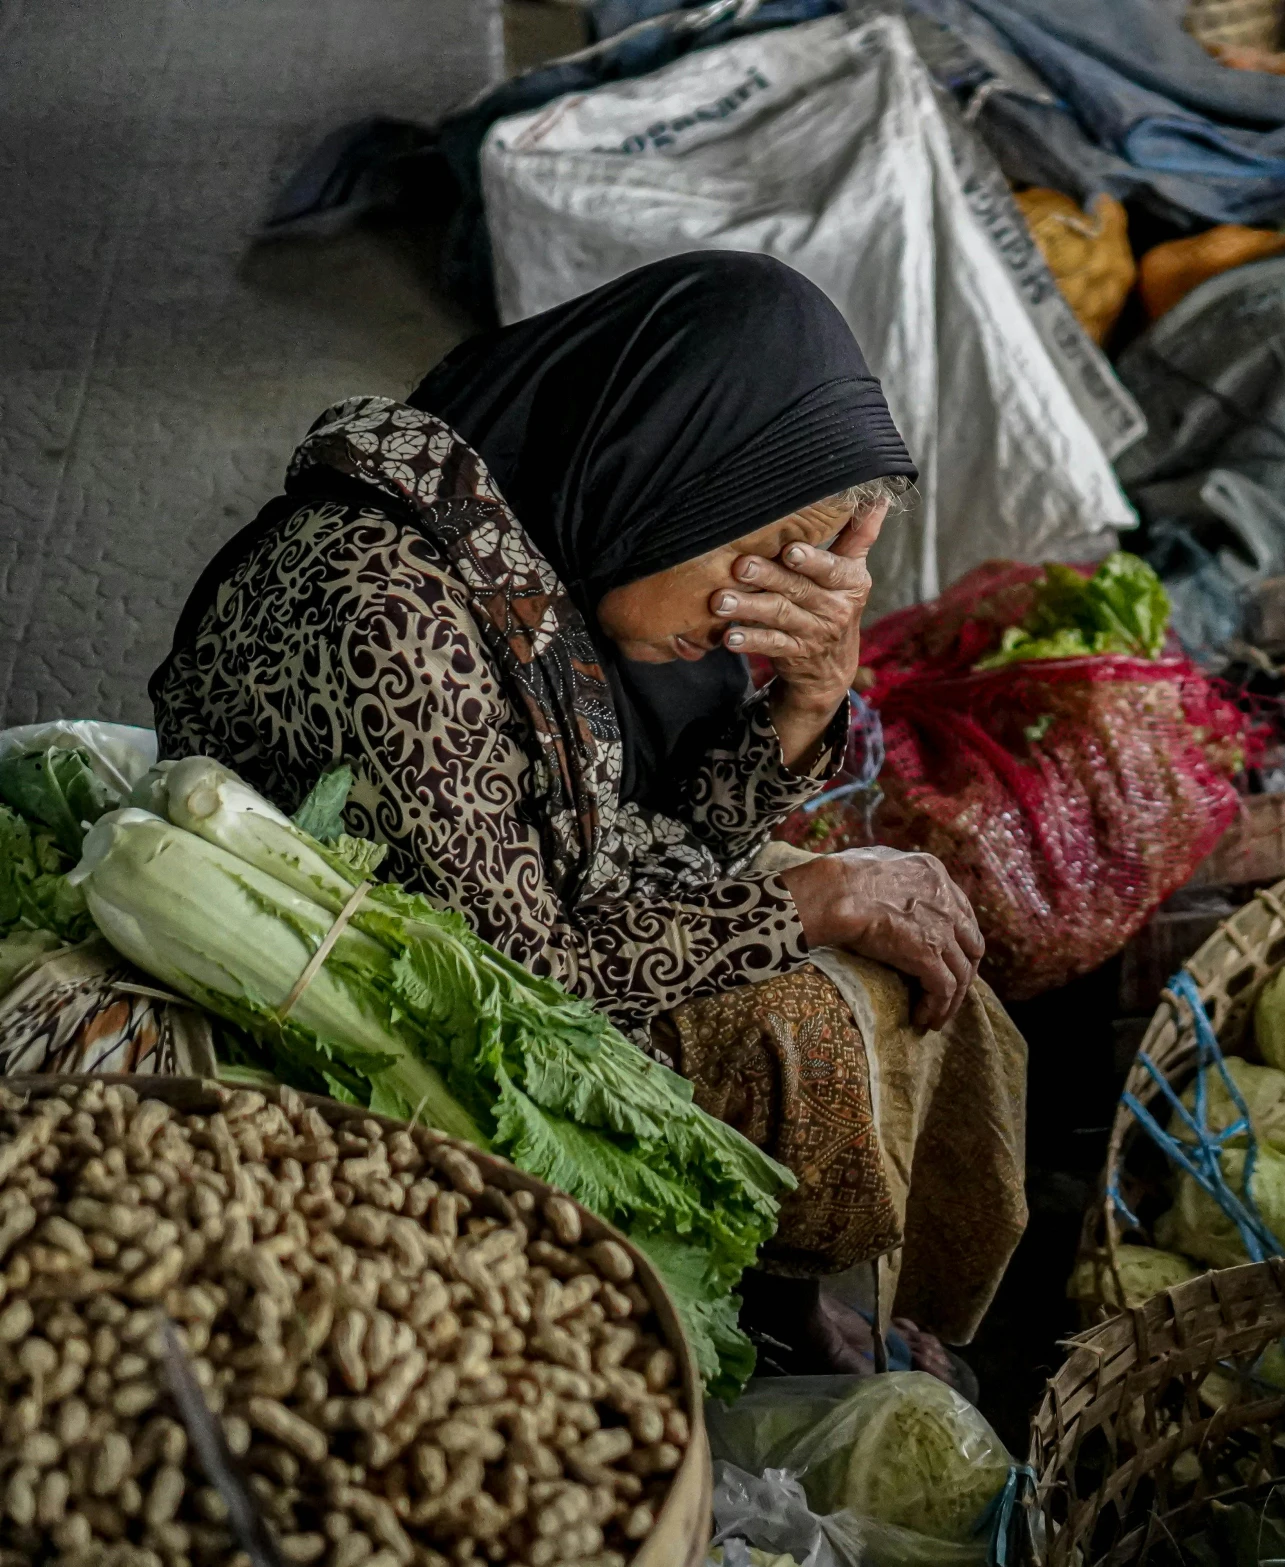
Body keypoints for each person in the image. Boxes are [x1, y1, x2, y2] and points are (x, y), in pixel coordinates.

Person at [151, 252, 1026, 1381]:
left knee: (907, 936)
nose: (750, 605)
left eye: (799, 564)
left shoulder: (557, 548)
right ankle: (781, 1321)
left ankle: (810, 1301)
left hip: (520, 909)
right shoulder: (395, 612)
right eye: (753, 550)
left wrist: (809, 697)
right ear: (659, 468)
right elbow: (526, 976)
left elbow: (679, 835)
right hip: (371, 995)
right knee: (809, 1012)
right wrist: (809, 899)